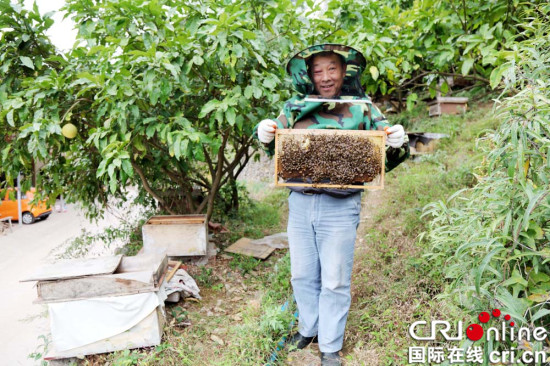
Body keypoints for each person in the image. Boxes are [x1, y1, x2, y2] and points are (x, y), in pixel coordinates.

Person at [254, 44, 408, 366]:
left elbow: (386, 154)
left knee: (335, 279)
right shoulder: (295, 106)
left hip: (341, 206)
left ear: (344, 71)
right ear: (309, 74)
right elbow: (279, 150)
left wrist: (397, 142)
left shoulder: (363, 108)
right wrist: (266, 135)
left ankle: (330, 345)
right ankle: (308, 328)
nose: (325, 77)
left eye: (332, 69)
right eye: (318, 70)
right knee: (302, 275)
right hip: (300, 204)